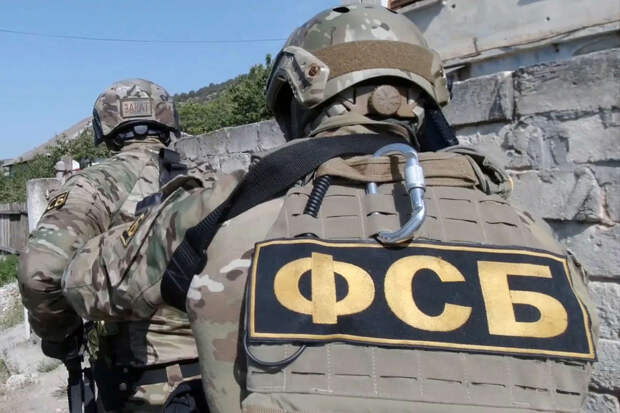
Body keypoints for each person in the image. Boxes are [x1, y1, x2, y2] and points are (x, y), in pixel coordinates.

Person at [63, 5, 598, 413]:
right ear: (427, 96)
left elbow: (83, 281)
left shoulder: (229, 206)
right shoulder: (530, 234)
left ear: (297, 96)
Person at [19, 79, 205, 412]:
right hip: (225, 374)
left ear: (104, 128)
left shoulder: (92, 185)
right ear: (168, 121)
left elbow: (40, 272)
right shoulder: (212, 179)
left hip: (140, 385)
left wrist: (62, 335)